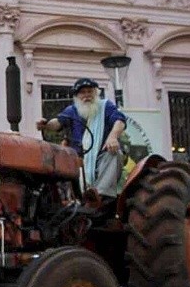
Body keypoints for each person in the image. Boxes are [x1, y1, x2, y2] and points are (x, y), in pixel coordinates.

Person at [36, 78, 126, 208]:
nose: (86, 95)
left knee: (114, 153)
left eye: (90, 91)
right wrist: (45, 124)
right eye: (82, 92)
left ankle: (99, 195)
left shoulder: (106, 107)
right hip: (78, 160)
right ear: (77, 96)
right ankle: (65, 200)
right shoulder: (72, 110)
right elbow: (58, 123)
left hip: (102, 157)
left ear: (96, 93)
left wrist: (112, 137)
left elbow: (119, 121)